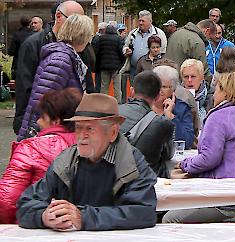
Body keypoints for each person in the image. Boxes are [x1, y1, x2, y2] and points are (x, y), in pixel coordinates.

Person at [16, 93, 157, 231]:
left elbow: (143, 212)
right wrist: (43, 217)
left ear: (113, 133)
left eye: (90, 128)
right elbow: (26, 204)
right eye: (78, 128)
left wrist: (84, 218)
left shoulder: (130, 162)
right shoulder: (67, 161)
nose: (82, 136)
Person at [162, 72, 235, 223]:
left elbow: (209, 158)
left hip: (232, 195)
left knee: (171, 219)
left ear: (224, 92)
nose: (213, 94)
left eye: (216, 89)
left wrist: (185, 164)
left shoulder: (218, 117)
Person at [0, 89, 81, 223]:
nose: (38, 122)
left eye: (42, 117)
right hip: (83, 225)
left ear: (55, 120)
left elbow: (6, 202)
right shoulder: (93, 146)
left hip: (36, 225)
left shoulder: (31, 148)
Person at [13, 0, 86, 134]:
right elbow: (25, 86)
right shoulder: (33, 43)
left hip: (67, 126)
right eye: (74, 19)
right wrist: (23, 124)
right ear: (58, 16)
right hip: (44, 126)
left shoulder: (78, 45)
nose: (78, 24)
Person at [119, 71, 175, 177]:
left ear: (132, 91)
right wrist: (168, 118)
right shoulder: (163, 122)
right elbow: (168, 155)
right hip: (148, 180)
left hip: (117, 178)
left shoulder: (113, 113)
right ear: (158, 96)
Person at [153, 65, 196, 149]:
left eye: (164, 87)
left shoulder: (182, 108)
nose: (159, 90)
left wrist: (171, 118)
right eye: (157, 85)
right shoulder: (144, 104)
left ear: (173, 89)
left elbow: (187, 142)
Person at [122, 10, 167, 80]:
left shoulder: (159, 34)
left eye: (143, 21)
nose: (140, 23)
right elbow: (125, 46)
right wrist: (126, 50)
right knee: (135, 89)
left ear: (150, 21)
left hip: (151, 69)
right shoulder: (133, 33)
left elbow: (163, 52)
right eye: (139, 21)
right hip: (134, 69)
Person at [95, 23, 125, 100]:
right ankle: (117, 104)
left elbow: (98, 53)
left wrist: (98, 65)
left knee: (104, 86)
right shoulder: (118, 39)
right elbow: (121, 53)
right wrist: (121, 63)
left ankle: (103, 102)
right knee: (117, 87)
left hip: (104, 66)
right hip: (116, 66)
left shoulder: (101, 38)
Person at [180, 58, 214, 125]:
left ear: (201, 78)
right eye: (186, 77)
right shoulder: (176, 98)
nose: (189, 80)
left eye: (193, 76)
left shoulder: (213, 97)